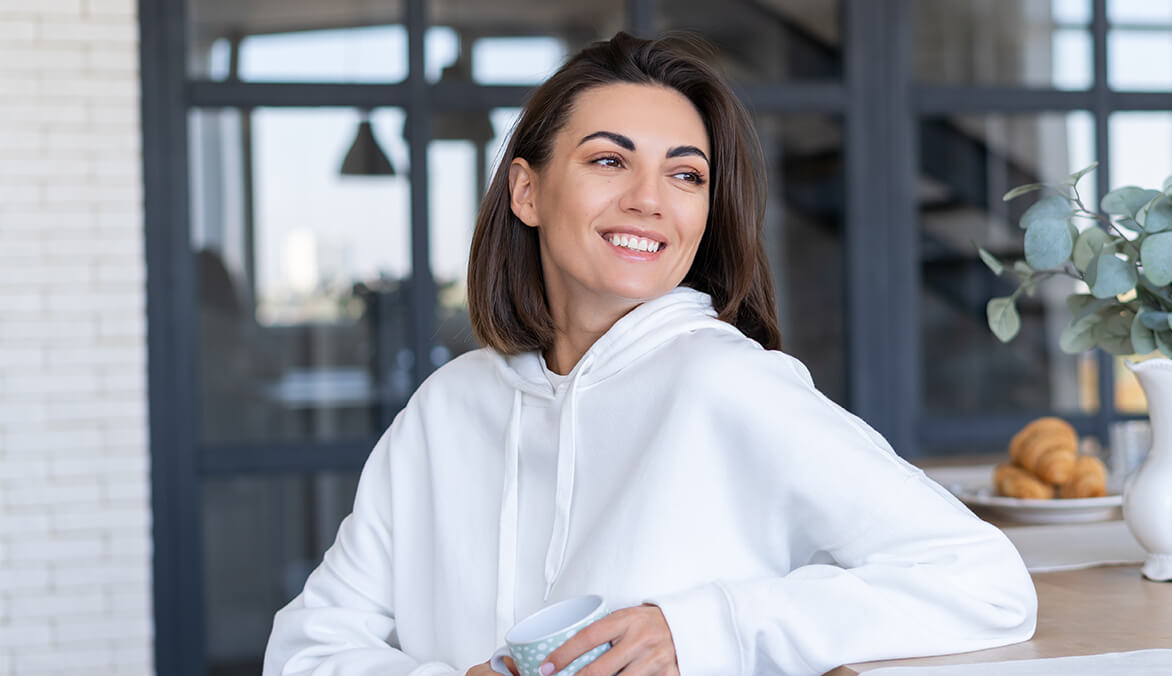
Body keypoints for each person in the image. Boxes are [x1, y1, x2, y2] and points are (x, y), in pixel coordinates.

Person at [263, 31, 1036, 676]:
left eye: (685, 174)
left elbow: (984, 582)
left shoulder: (726, 382)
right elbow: (308, 647)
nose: (649, 198)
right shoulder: (448, 406)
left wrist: (701, 632)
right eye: (609, 161)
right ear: (526, 193)